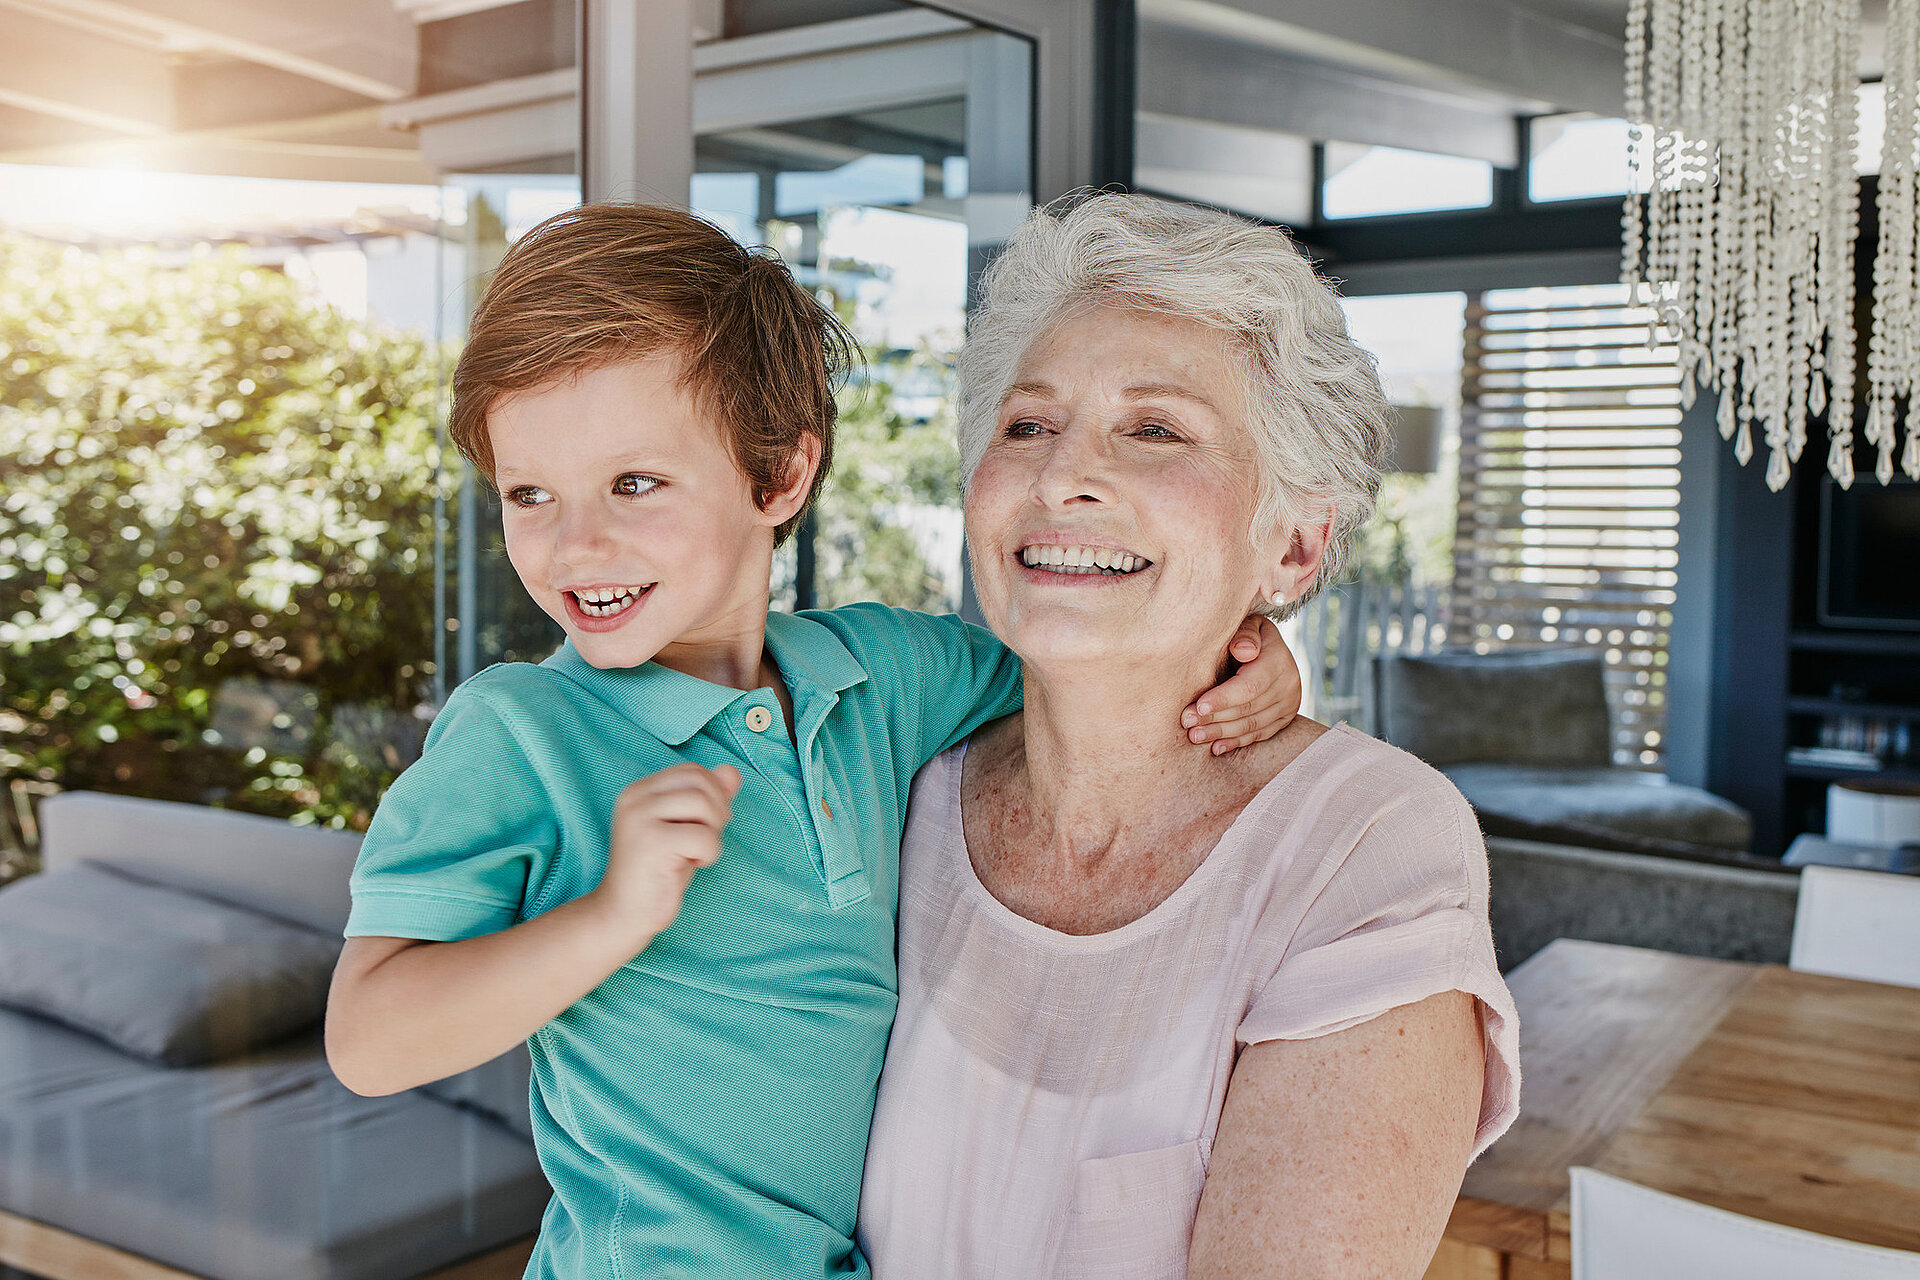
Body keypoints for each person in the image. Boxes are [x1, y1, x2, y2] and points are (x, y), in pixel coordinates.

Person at [322, 202, 1303, 1279]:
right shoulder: (520, 732)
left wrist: (1241, 644)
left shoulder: (886, 675)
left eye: (633, 483)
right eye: (529, 494)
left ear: (781, 477)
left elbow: (1087, 671)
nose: (574, 542)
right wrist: (610, 915)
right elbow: (370, 1038)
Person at [856, 193, 1522, 1279]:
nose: (1061, 472)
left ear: (1295, 549)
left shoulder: (1363, 844)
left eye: (1155, 428)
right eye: (1026, 424)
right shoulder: (889, 786)